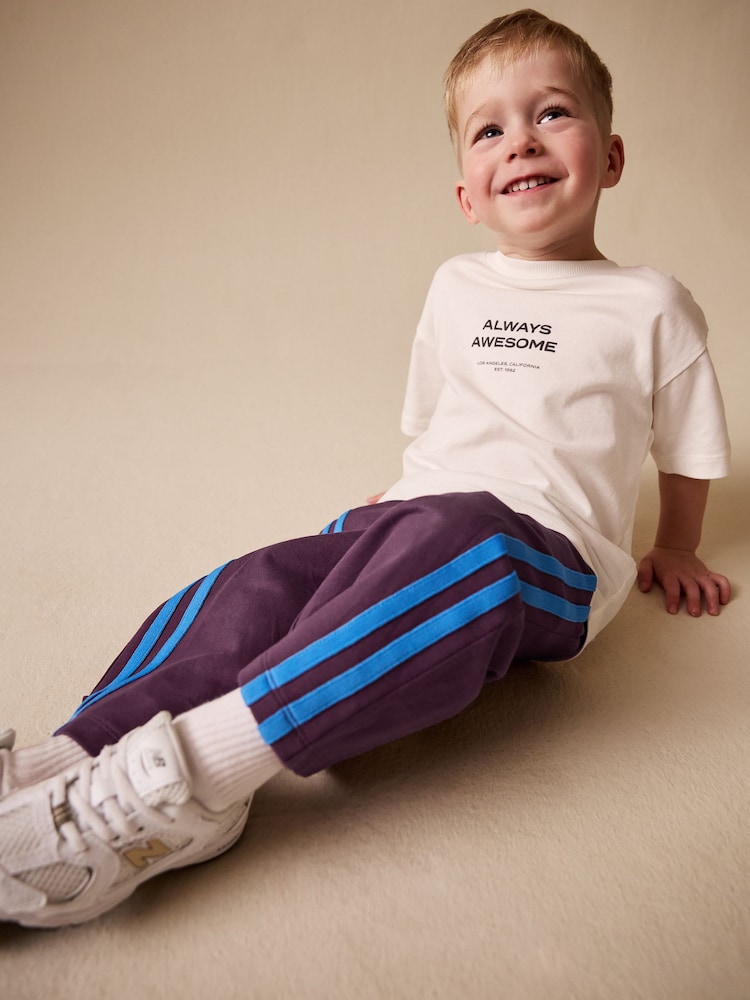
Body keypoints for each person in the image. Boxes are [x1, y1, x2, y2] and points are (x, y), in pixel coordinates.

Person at [0, 9, 731, 929]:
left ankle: (203, 775)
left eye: (553, 114)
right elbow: (437, 415)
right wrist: (398, 497)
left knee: (468, 543)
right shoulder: (456, 286)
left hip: (548, 551)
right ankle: (62, 768)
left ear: (611, 156)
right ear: (467, 192)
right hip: (420, 517)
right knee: (258, 582)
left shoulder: (648, 301)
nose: (522, 142)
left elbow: (689, 440)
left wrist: (677, 544)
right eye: (490, 130)